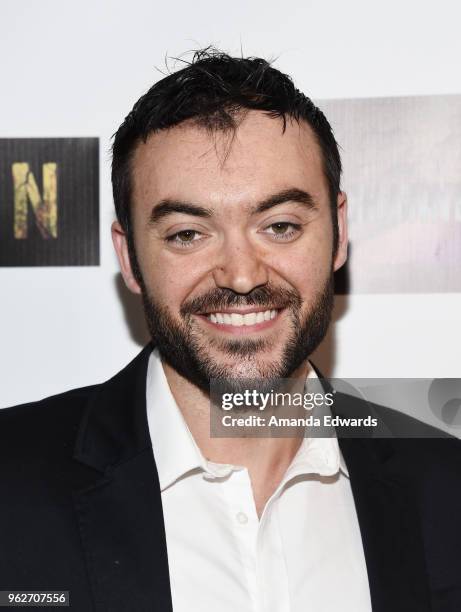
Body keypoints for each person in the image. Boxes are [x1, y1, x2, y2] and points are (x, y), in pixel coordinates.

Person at [1, 49, 460, 612]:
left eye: (280, 226)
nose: (241, 276)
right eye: (188, 234)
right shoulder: (11, 483)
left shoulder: (444, 487)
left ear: (339, 232)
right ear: (129, 257)